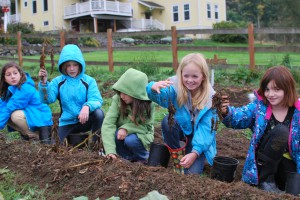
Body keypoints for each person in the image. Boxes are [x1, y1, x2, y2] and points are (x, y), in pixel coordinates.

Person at [220, 66, 299, 193]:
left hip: (287, 162)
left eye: (276, 89)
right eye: (267, 89)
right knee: (281, 132)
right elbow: (238, 117)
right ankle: (265, 181)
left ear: (287, 89)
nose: (270, 94)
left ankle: (281, 184)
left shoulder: (297, 112)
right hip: (264, 163)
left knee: (294, 191)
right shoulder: (259, 107)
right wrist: (225, 111)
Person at [146, 53, 218, 174]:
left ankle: (193, 152)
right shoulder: (175, 86)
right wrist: (152, 87)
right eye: (186, 76)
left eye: (195, 76)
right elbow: (161, 96)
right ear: (180, 75)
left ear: (203, 76)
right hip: (182, 130)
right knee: (168, 121)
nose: (190, 80)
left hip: (198, 137)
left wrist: (195, 153)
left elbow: (207, 129)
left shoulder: (211, 99)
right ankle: (177, 154)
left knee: (191, 175)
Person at [38, 44, 104, 144]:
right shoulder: (58, 82)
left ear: (80, 64)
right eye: (68, 65)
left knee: (99, 113)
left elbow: (96, 99)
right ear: (63, 66)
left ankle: (96, 144)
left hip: (85, 120)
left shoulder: (89, 81)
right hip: (67, 122)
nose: (72, 68)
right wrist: (43, 84)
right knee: (53, 147)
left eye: (75, 65)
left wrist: (86, 107)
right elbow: (47, 100)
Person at [101, 68, 155, 162]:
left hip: (141, 135)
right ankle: (125, 159)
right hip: (120, 135)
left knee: (131, 140)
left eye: (126, 93)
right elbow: (108, 124)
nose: (122, 96)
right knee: (115, 134)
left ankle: (143, 158)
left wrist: (126, 128)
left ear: (136, 92)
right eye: (120, 92)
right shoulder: (118, 100)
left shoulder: (148, 104)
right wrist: (110, 151)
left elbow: (147, 127)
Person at [0, 62, 53, 143]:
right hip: (30, 114)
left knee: (14, 115)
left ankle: (35, 135)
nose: (13, 77)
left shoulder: (25, 88)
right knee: (6, 114)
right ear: (4, 78)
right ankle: (29, 135)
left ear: (20, 75)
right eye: (8, 74)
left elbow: (9, 108)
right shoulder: (9, 90)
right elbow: (1, 107)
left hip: (41, 117)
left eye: (15, 73)